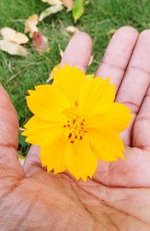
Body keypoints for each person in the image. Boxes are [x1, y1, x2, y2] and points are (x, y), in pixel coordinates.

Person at [0, 26, 150, 230]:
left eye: (74, 125)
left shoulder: (101, 104)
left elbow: (113, 139)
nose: (75, 126)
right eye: (74, 125)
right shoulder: (47, 137)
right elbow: (35, 130)